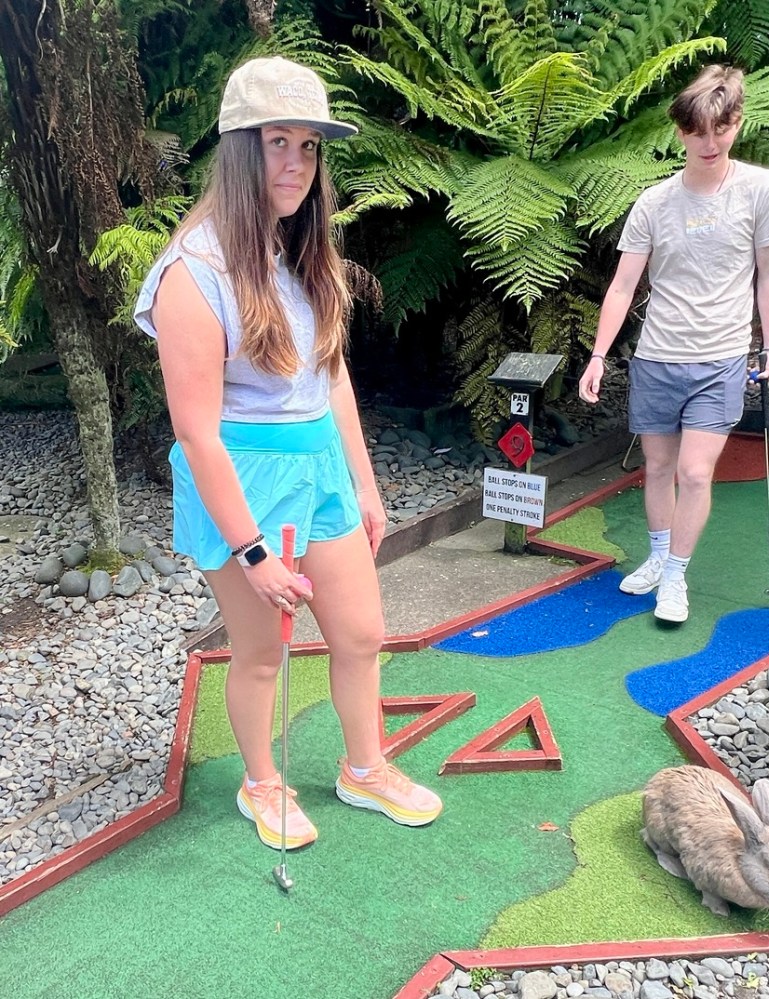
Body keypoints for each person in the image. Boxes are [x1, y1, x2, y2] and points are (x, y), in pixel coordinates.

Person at [134, 56, 442, 851]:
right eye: (278, 141)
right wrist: (253, 549)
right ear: (241, 149)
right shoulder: (193, 272)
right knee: (264, 653)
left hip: (321, 470)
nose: (297, 163)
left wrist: (365, 486)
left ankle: (364, 767)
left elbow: (330, 375)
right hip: (244, 479)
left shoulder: (303, 249)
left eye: (308, 146)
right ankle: (262, 781)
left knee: (361, 632)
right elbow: (197, 432)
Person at [579, 64, 769, 624]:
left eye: (721, 129)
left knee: (695, 472)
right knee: (657, 468)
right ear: (680, 132)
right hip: (656, 357)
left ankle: (676, 574)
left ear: (737, 123)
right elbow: (623, 284)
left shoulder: (761, 189)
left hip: (721, 357)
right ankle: (657, 556)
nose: (709, 142)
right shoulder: (654, 201)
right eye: (698, 132)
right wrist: (598, 355)